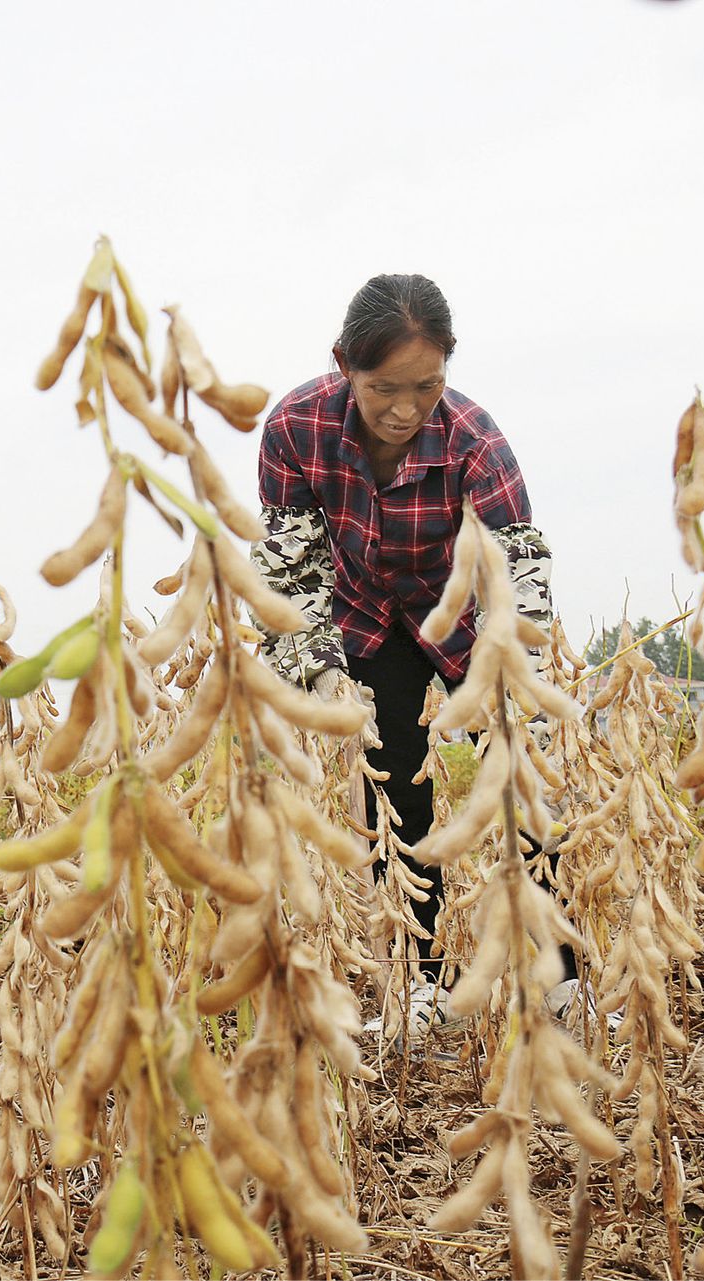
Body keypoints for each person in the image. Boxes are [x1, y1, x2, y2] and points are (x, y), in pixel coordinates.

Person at [251, 273, 561, 1033]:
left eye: (426, 387)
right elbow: (290, 569)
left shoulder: (474, 442)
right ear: (342, 365)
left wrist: (512, 678)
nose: (403, 408)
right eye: (383, 387)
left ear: (448, 371)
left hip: (461, 614)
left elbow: (518, 573)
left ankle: (556, 976)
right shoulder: (296, 427)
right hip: (363, 617)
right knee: (394, 787)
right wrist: (320, 669)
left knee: (527, 778)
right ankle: (420, 982)